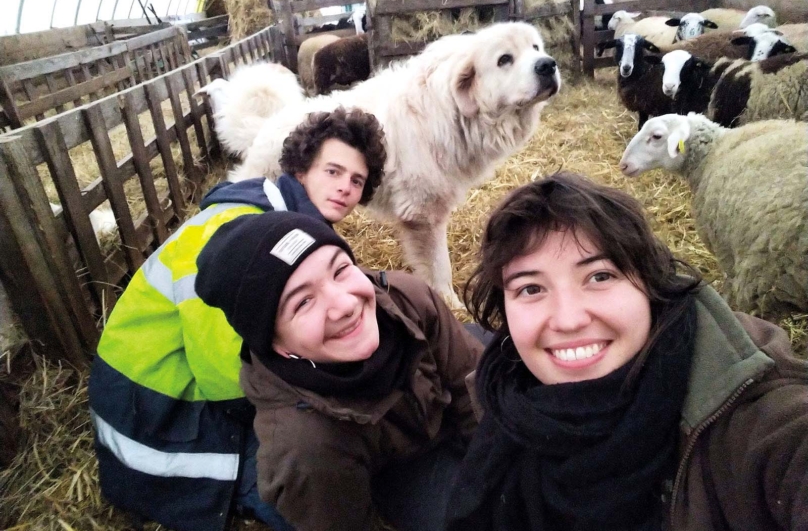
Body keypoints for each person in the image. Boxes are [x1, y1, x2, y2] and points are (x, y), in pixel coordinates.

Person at [445, 172, 808, 531]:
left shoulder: (757, 422)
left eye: (600, 276)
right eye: (531, 288)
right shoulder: (506, 391)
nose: (569, 320)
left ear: (650, 284)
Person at [87, 107, 386, 531]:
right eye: (333, 171)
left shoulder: (282, 226)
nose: (344, 189)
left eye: (356, 181)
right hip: (156, 417)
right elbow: (226, 378)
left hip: (166, 394)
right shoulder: (235, 233)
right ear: (300, 169)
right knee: (311, 484)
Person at [195, 211, 484, 531]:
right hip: (400, 471)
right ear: (275, 343)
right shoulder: (303, 449)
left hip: (444, 416)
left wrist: (495, 461)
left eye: (341, 269)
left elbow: (468, 378)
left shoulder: (404, 296)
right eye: (303, 302)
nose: (345, 304)